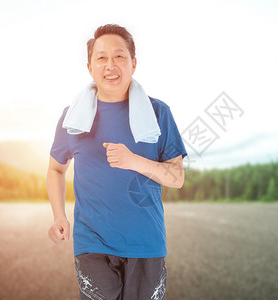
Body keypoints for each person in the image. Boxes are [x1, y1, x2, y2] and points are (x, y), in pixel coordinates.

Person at [47, 24, 187, 300]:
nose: (110, 65)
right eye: (101, 58)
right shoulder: (72, 118)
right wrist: (59, 215)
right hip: (92, 243)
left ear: (133, 63)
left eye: (119, 57)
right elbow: (55, 168)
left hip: (146, 244)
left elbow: (176, 177)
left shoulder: (158, 112)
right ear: (90, 67)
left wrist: (134, 160)